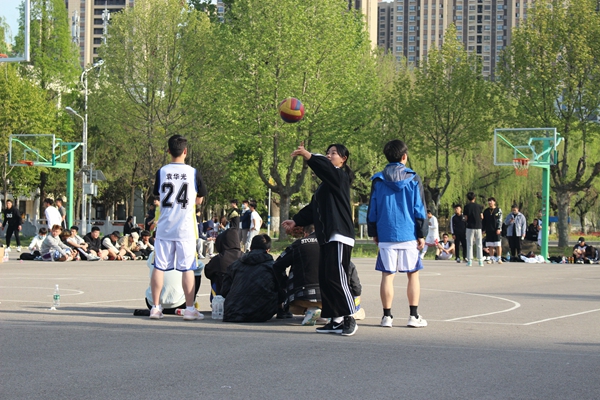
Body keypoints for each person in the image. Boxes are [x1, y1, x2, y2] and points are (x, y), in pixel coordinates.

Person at [282, 142, 358, 336]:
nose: (329, 155)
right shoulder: (324, 186)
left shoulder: (339, 176)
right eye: (328, 153)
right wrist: (296, 220)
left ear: (343, 159)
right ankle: (336, 319)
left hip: (340, 234)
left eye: (334, 153)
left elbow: (325, 169)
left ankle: (350, 316)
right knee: (326, 277)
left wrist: (308, 156)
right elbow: (312, 209)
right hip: (326, 236)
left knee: (338, 277)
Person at [367, 139, 427, 329]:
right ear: (404, 157)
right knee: (413, 274)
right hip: (408, 232)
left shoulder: (378, 180)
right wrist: (422, 233)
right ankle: (413, 316)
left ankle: (387, 317)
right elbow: (419, 208)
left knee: (387, 275)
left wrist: (373, 231)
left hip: (386, 232)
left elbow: (373, 209)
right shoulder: (413, 179)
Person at [149, 134, 208, 321]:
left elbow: (157, 194)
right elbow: (199, 199)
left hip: (165, 227)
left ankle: (155, 308)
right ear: (185, 151)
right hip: (185, 228)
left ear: (168, 151)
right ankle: (189, 309)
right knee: (187, 268)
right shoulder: (193, 172)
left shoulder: (162, 172)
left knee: (159, 267)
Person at [221, 234, 279, 322]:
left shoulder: (235, 264)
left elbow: (224, 290)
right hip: (262, 313)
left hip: (232, 312)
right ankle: (282, 311)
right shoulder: (273, 266)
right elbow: (282, 289)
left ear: (251, 248)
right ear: (268, 250)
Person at [273, 225, 322, 326]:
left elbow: (277, 265)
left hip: (302, 295)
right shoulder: (330, 243)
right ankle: (325, 314)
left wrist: (285, 285)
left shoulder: (298, 244)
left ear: (305, 234)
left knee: (293, 308)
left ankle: (310, 310)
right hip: (330, 296)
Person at [204, 227, 243, 299]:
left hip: (223, 296)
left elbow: (207, 272)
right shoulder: (245, 257)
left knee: (215, 275)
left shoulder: (219, 259)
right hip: (243, 296)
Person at [464, 192, 484, 267]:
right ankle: (480, 260)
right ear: (474, 198)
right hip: (478, 226)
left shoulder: (466, 207)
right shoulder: (479, 206)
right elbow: (482, 216)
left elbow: (466, 218)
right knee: (479, 243)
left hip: (470, 226)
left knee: (469, 243)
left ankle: (469, 260)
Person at [482, 197, 503, 264]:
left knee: (498, 244)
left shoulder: (498, 210)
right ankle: (492, 258)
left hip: (496, 230)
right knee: (490, 245)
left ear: (494, 202)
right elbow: (484, 221)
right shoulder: (486, 211)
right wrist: (483, 229)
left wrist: (499, 228)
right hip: (489, 230)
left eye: (491, 201)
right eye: (489, 201)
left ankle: (499, 258)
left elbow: (500, 220)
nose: (490, 203)